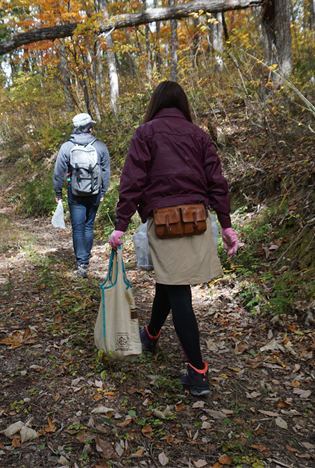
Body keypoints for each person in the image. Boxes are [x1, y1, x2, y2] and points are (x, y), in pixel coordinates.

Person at [107, 81, 238, 396]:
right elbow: (216, 181)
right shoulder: (199, 135)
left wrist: (121, 224)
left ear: (155, 104)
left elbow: (133, 179)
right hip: (198, 222)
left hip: (166, 223)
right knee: (170, 281)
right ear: (182, 104)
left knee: (178, 291)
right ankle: (150, 335)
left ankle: (197, 371)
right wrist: (226, 224)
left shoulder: (146, 133)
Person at [53, 113, 111, 278]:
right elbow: (106, 171)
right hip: (94, 192)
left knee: (78, 228)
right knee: (88, 226)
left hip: (75, 193)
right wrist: (103, 191)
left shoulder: (67, 147)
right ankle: (85, 257)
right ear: (90, 128)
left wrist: (58, 192)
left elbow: (59, 172)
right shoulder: (99, 146)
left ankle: (82, 264)